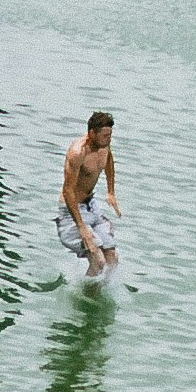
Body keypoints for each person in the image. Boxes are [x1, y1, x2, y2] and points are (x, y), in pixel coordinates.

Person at [55, 111, 123, 278]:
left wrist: (111, 191)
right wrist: (82, 228)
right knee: (98, 261)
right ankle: (83, 291)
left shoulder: (103, 146)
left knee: (112, 259)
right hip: (72, 210)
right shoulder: (78, 153)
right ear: (92, 133)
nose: (109, 140)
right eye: (105, 136)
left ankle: (99, 289)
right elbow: (68, 191)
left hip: (90, 205)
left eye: (110, 135)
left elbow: (109, 162)